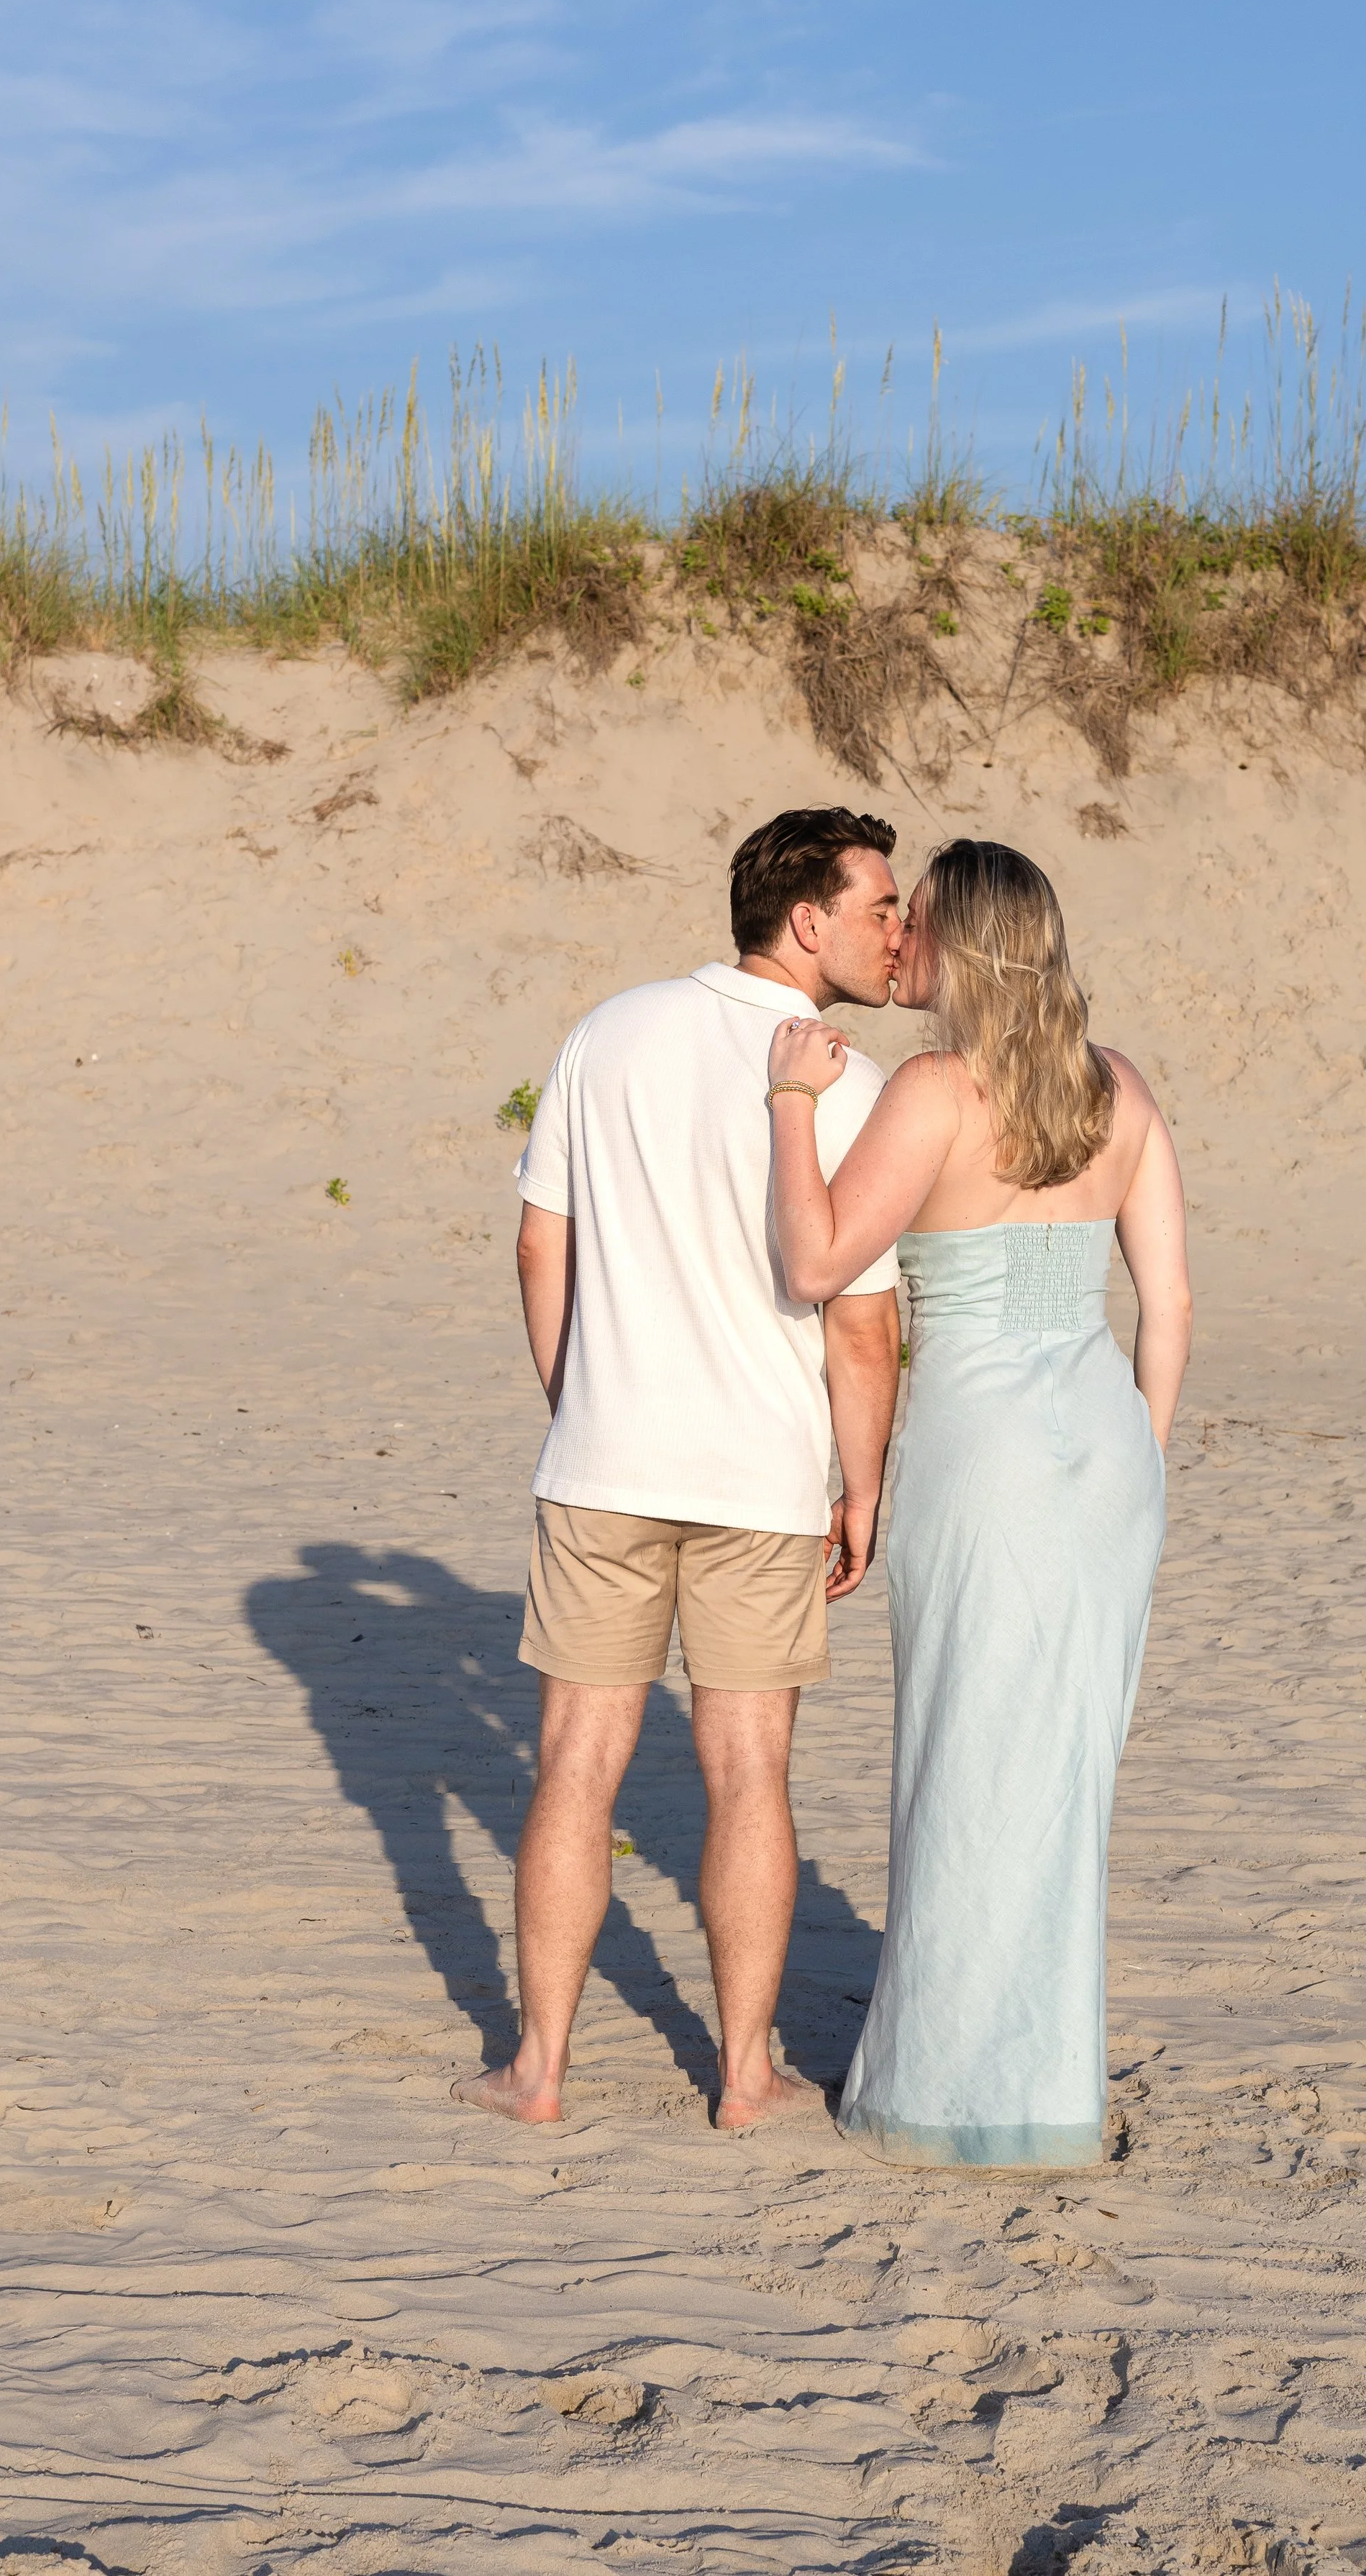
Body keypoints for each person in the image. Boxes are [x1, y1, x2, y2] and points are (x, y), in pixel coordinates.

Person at [456, 807, 906, 2133]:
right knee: (748, 1770)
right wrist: (862, 1480)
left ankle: (538, 2066)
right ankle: (744, 2069)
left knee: (575, 1764)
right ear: (806, 920)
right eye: (878, 904)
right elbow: (863, 1321)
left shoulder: (610, 1030)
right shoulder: (851, 1083)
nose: (898, 929)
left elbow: (544, 1244)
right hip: (763, 1474)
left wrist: (574, 1391)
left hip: (605, 1456)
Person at [765, 838, 1192, 2168]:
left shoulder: (938, 1092)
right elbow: (1167, 1307)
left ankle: (944, 2093)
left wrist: (791, 1103)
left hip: (982, 1457)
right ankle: (1046, 2086)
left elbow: (820, 1256)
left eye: (919, 925)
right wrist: (1144, 1461)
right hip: (1107, 1460)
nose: (901, 946)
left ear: (966, 945)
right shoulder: (1116, 1088)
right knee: (1065, 1776)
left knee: (963, 1765)